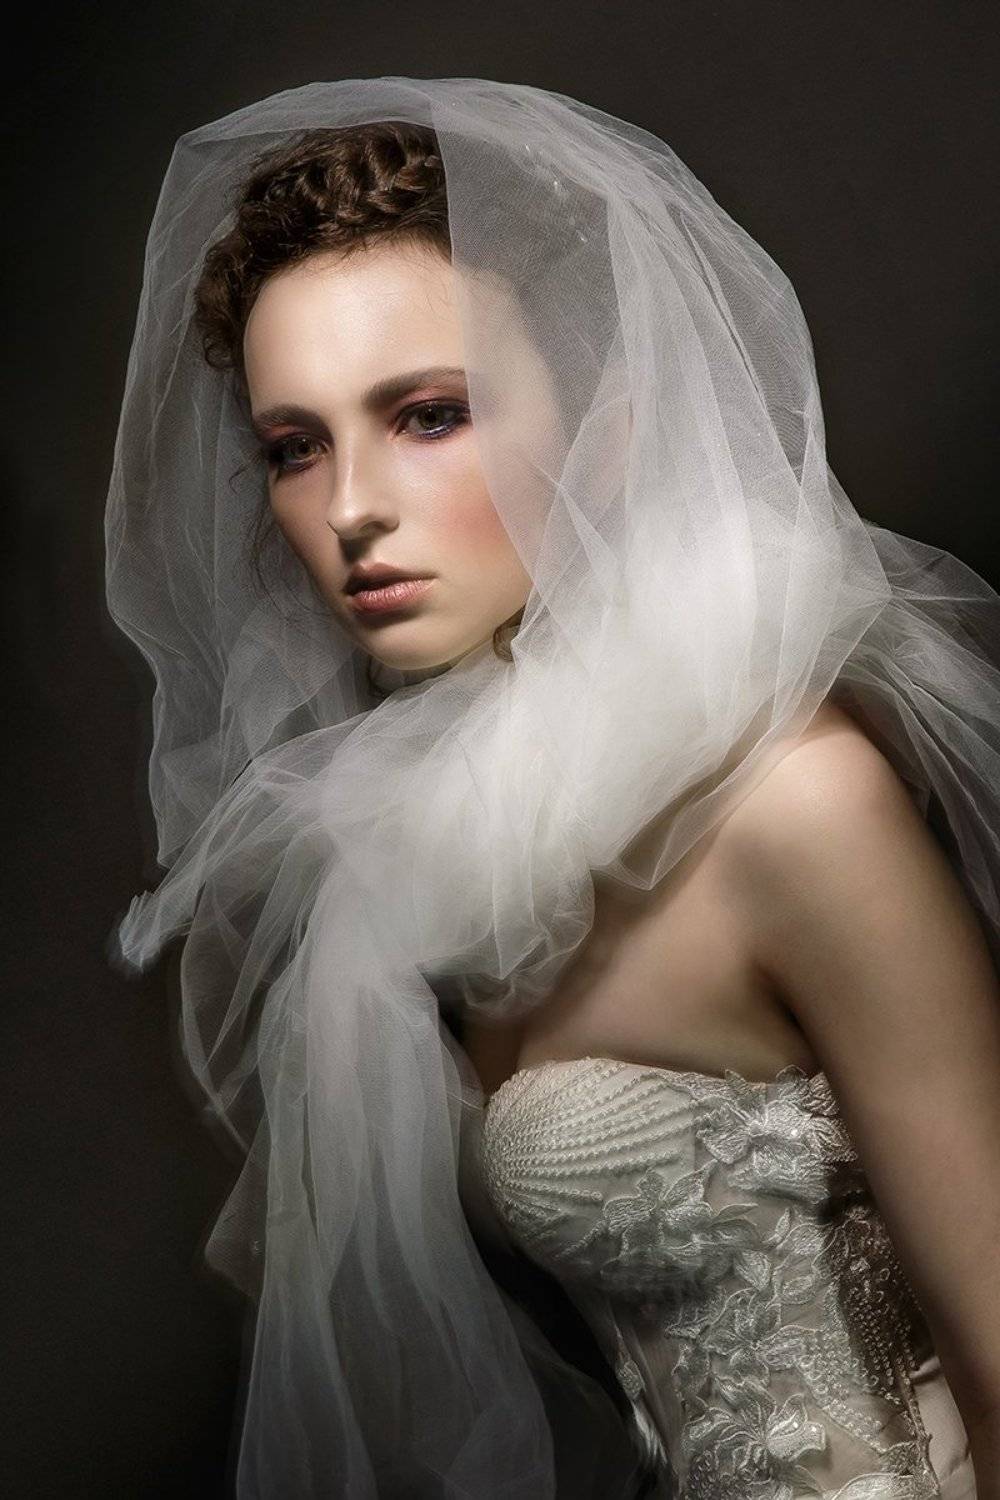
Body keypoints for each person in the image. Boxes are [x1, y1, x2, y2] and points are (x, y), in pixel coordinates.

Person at [104, 77, 1000, 1498]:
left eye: (429, 415)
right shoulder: (447, 855)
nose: (350, 509)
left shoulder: (796, 804)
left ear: (609, 427)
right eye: (295, 447)